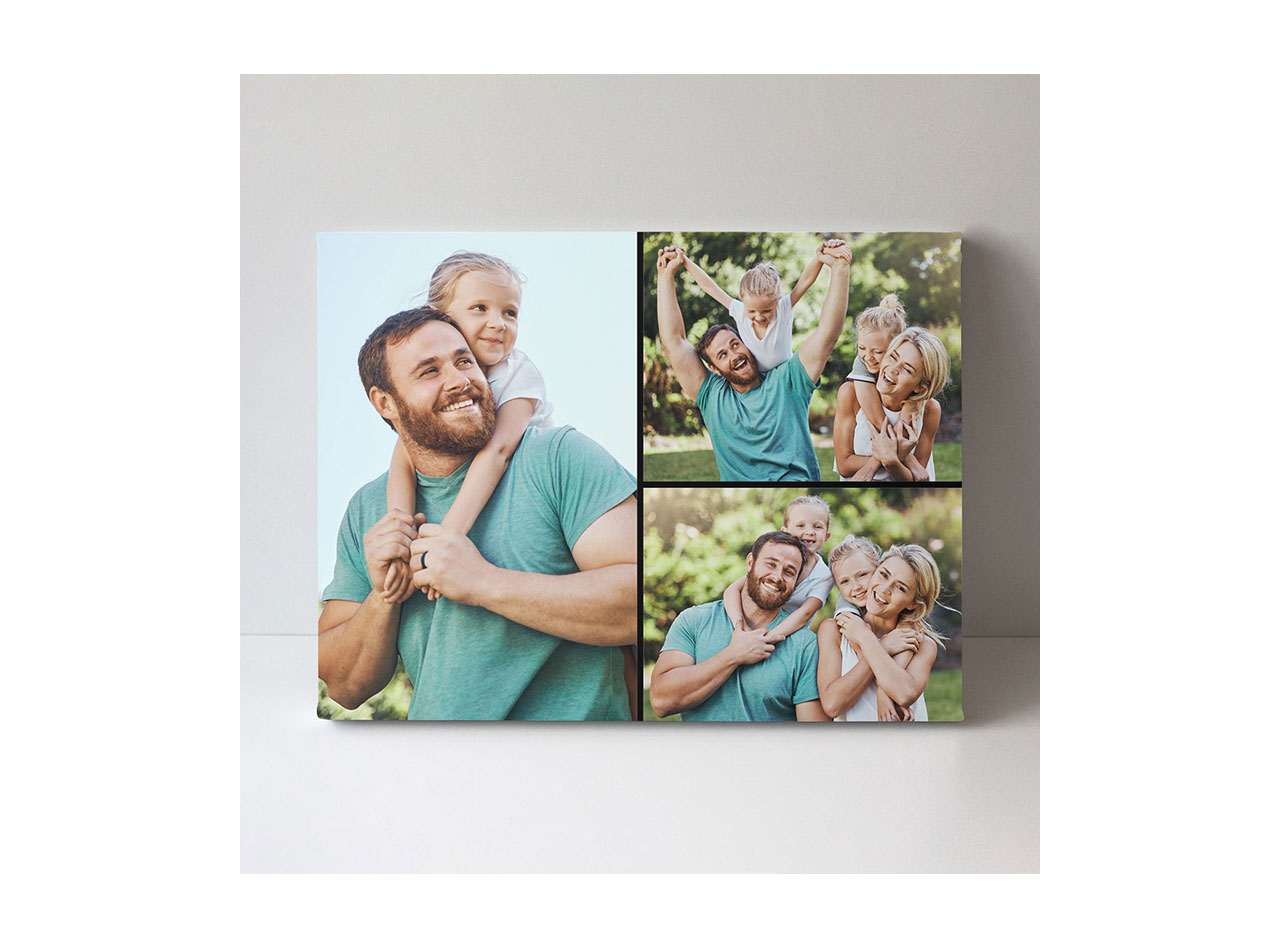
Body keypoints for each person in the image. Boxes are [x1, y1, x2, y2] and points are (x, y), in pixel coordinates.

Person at [318, 308, 637, 720]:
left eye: (464, 360)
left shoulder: (557, 457)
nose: (459, 380)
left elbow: (637, 599)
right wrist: (385, 596)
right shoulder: (367, 510)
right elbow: (346, 687)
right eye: (429, 371)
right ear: (385, 402)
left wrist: (481, 582)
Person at [381, 251, 552, 603]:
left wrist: (446, 539)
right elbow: (404, 458)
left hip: (534, 486)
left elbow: (499, 450)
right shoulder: (440, 389)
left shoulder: (518, 372)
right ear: (440, 317)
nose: (498, 323)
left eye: (510, 312)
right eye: (480, 308)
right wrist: (401, 540)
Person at [655, 241, 852, 481]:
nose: (734, 354)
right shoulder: (712, 396)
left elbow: (827, 334)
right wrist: (665, 275)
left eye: (735, 344)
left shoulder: (788, 380)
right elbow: (673, 342)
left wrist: (840, 268)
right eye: (722, 355)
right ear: (713, 368)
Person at [649, 532, 827, 722]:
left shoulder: (805, 646)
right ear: (750, 562)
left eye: (789, 572)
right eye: (771, 564)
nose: (777, 577)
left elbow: (813, 738)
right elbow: (661, 701)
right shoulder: (694, 620)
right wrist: (733, 655)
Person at [815, 544, 946, 722]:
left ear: (912, 603)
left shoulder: (923, 645)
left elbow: (904, 693)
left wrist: (866, 639)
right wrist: (882, 646)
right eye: (883, 575)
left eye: (900, 588)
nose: (884, 589)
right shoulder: (834, 630)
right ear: (875, 570)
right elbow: (832, 705)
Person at [677, 243, 842, 371]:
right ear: (743, 302)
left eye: (767, 311)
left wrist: (820, 257)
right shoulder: (739, 311)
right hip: (759, 380)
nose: (759, 317)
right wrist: (684, 261)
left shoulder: (783, 308)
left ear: (777, 301)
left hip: (786, 373)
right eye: (751, 311)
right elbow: (710, 287)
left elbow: (805, 281)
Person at [833, 325, 951, 481]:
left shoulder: (930, 409)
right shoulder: (850, 394)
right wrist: (894, 456)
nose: (893, 369)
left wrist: (890, 461)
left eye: (907, 369)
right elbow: (844, 465)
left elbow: (916, 479)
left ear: (920, 387)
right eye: (893, 357)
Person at [721, 495, 833, 643]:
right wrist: (739, 626)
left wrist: (766, 638)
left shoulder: (824, 576)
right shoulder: (774, 558)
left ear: (826, 536)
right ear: (785, 532)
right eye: (801, 526)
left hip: (786, 635)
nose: (810, 532)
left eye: (817, 527)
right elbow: (732, 590)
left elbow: (805, 614)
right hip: (753, 625)